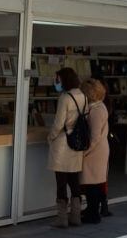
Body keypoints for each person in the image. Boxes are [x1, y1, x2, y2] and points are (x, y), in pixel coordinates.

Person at [47, 66, 88, 228]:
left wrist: (50, 137)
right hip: (77, 144)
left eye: (57, 79)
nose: (56, 82)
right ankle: (76, 216)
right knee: (74, 181)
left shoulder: (65, 98)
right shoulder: (83, 96)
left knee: (61, 182)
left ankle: (62, 218)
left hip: (63, 143)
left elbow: (58, 123)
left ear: (63, 80)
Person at [80, 78, 111, 224]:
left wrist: (85, 152)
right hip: (100, 149)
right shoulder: (100, 107)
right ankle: (93, 210)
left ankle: (92, 213)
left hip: (95, 152)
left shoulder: (95, 110)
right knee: (96, 182)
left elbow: (94, 136)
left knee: (92, 183)